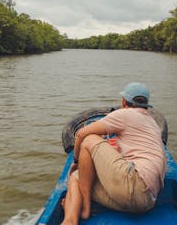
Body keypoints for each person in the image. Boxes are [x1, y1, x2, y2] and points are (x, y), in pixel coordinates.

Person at [60, 82, 166, 225]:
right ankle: (71, 220)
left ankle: (81, 211)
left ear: (123, 102)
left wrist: (77, 162)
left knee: (89, 139)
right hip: (146, 201)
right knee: (77, 178)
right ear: (146, 105)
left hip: (134, 182)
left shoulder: (125, 113)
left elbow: (81, 134)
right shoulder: (152, 123)